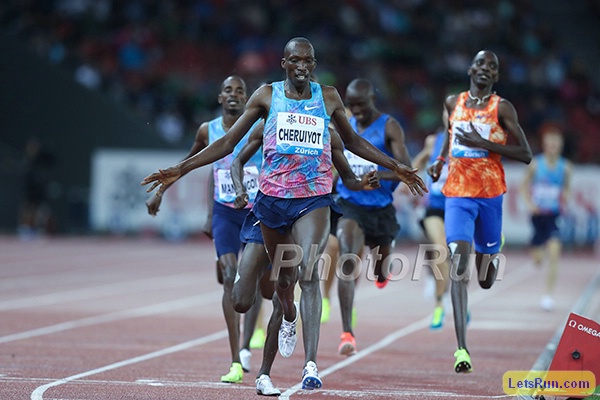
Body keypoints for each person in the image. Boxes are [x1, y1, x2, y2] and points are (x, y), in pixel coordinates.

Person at [141, 37, 426, 390]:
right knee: (243, 299)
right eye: (296, 61)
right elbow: (229, 144)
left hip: (314, 200)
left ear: (314, 64)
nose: (303, 67)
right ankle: (287, 312)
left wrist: (397, 166)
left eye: (309, 61)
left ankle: (310, 365)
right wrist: (179, 169)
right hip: (271, 202)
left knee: (308, 274)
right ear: (284, 64)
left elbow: (352, 142)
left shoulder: (329, 96)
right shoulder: (265, 95)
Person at [230, 121, 381, 395]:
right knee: (241, 300)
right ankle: (291, 313)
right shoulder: (267, 123)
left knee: (295, 280)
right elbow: (235, 159)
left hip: (304, 209)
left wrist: (361, 183)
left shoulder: (324, 130)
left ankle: (283, 370)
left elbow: (346, 172)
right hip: (265, 212)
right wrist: (240, 189)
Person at [145, 75, 264, 384]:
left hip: (257, 213)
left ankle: (249, 344)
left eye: (240, 91)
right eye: (229, 90)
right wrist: (161, 192)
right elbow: (193, 163)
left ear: (248, 98)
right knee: (229, 276)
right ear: (220, 97)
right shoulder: (206, 130)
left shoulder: (261, 126)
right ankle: (236, 360)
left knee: (253, 283)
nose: (235, 95)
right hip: (226, 212)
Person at [428, 50, 532, 373]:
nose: (486, 69)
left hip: (489, 196)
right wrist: (441, 161)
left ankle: (491, 242)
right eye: (481, 64)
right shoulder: (452, 103)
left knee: (485, 280)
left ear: (496, 77)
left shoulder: (501, 108)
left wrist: (485, 144)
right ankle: (461, 349)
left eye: (493, 67)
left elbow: (526, 154)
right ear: (471, 69)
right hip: (457, 194)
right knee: (459, 268)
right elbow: (449, 133)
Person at [333, 78, 412, 357]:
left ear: (372, 100)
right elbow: (335, 164)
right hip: (350, 204)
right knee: (347, 260)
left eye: (361, 105)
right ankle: (347, 333)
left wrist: (381, 176)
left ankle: (382, 273)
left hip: (380, 210)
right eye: (351, 106)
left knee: (379, 270)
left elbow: (406, 169)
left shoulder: (389, 126)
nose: (356, 111)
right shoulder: (343, 126)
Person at [519, 123, 571, 312]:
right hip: (537, 216)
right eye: (549, 143)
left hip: (553, 216)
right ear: (544, 145)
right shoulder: (535, 165)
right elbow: (523, 187)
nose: (553, 146)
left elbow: (567, 188)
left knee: (555, 252)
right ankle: (534, 247)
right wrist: (531, 205)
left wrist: (565, 197)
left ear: (560, 145)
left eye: (556, 143)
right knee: (539, 259)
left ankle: (548, 295)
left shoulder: (566, 168)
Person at [412, 129, 450, 330]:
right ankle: (439, 301)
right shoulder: (433, 140)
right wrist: (411, 177)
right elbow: (419, 161)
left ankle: (454, 293)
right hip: (433, 205)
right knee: (438, 246)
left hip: (458, 205)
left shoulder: (469, 139)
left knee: (456, 256)